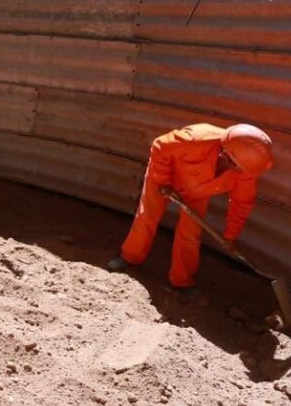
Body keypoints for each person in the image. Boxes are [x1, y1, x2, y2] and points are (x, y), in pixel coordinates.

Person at [107, 123, 274, 292]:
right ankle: (129, 257)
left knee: (191, 233)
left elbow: (242, 203)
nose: (241, 172)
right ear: (227, 155)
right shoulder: (195, 138)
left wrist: (231, 236)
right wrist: (163, 181)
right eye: (238, 167)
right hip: (164, 177)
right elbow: (160, 145)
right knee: (147, 216)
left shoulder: (247, 169)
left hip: (198, 189)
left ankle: (181, 281)